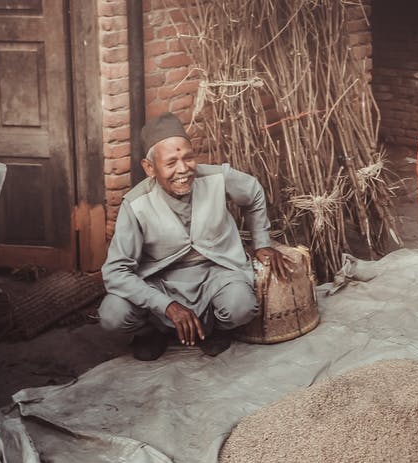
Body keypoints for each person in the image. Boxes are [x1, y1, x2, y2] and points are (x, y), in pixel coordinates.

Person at [100, 113, 294, 360]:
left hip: (216, 273)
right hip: (159, 282)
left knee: (241, 307)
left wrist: (262, 242)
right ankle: (151, 330)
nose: (183, 170)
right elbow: (116, 272)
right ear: (150, 168)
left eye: (188, 158)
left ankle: (212, 328)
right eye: (171, 163)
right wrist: (166, 306)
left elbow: (253, 190)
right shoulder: (136, 204)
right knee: (112, 314)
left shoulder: (216, 178)